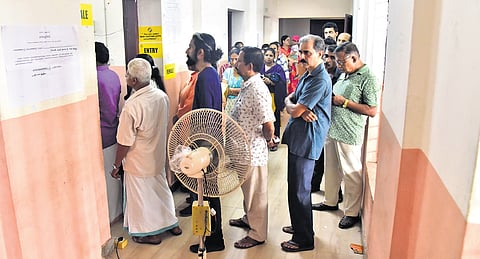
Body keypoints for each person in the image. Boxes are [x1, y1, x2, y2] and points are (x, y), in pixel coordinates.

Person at [110, 58, 182, 245]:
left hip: (138, 159)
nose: (125, 76)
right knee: (161, 189)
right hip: (157, 155)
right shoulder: (161, 96)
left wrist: (116, 165)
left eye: (127, 74)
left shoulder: (132, 106)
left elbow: (124, 142)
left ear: (133, 81)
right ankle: (171, 223)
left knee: (141, 196)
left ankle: (149, 233)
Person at [312, 42, 379, 229]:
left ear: (354, 58)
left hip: (349, 132)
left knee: (351, 173)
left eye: (341, 62)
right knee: (331, 169)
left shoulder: (368, 78)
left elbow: (372, 110)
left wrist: (344, 102)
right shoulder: (345, 74)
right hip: (332, 129)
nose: (338, 65)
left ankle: (351, 212)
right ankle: (330, 201)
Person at [280, 34, 331, 252]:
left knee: (301, 190)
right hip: (298, 137)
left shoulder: (319, 78)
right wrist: (292, 105)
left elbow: (296, 109)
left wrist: (296, 109)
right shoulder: (309, 75)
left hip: (308, 140)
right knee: (294, 187)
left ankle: (304, 239)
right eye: (300, 52)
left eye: (306, 53)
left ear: (320, 53)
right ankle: (300, 226)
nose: (301, 56)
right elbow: (290, 100)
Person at [228, 46, 275, 249]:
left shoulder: (257, 88)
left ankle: (257, 233)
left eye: (239, 60)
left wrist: (267, 139)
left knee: (256, 194)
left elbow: (268, 123)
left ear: (249, 65)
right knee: (248, 191)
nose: (235, 63)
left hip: (252, 151)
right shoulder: (248, 84)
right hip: (242, 150)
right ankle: (249, 219)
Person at [185, 32, 226, 254]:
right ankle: (211, 236)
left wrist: (201, 151)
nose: (187, 51)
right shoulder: (208, 75)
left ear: (200, 52)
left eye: (190, 47)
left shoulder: (206, 76)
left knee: (208, 194)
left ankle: (214, 238)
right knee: (207, 193)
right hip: (206, 145)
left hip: (206, 146)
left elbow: (208, 116)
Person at [95, 42, 122, 223]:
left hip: (100, 134)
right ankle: (116, 213)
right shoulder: (114, 76)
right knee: (114, 176)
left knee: (105, 177)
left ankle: (108, 218)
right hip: (114, 130)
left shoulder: (93, 79)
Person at [311, 44, 343, 198]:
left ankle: (337, 193)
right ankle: (314, 185)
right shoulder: (321, 74)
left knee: (335, 163)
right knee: (320, 157)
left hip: (336, 125)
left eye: (333, 58)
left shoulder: (340, 77)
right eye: (326, 57)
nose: (328, 60)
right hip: (321, 123)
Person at [260, 47, 287, 151]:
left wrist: (271, 82)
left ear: (274, 57)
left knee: (273, 118)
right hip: (262, 97)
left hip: (273, 97)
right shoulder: (260, 67)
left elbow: (282, 82)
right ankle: (264, 141)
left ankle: (274, 141)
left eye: (271, 55)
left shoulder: (278, 68)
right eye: (266, 55)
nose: (268, 57)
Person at [222, 47, 243, 114]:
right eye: (231, 59)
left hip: (242, 103)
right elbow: (224, 89)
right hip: (228, 103)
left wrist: (230, 90)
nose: (234, 62)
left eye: (236, 59)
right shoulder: (227, 72)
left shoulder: (244, 72)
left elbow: (244, 90)